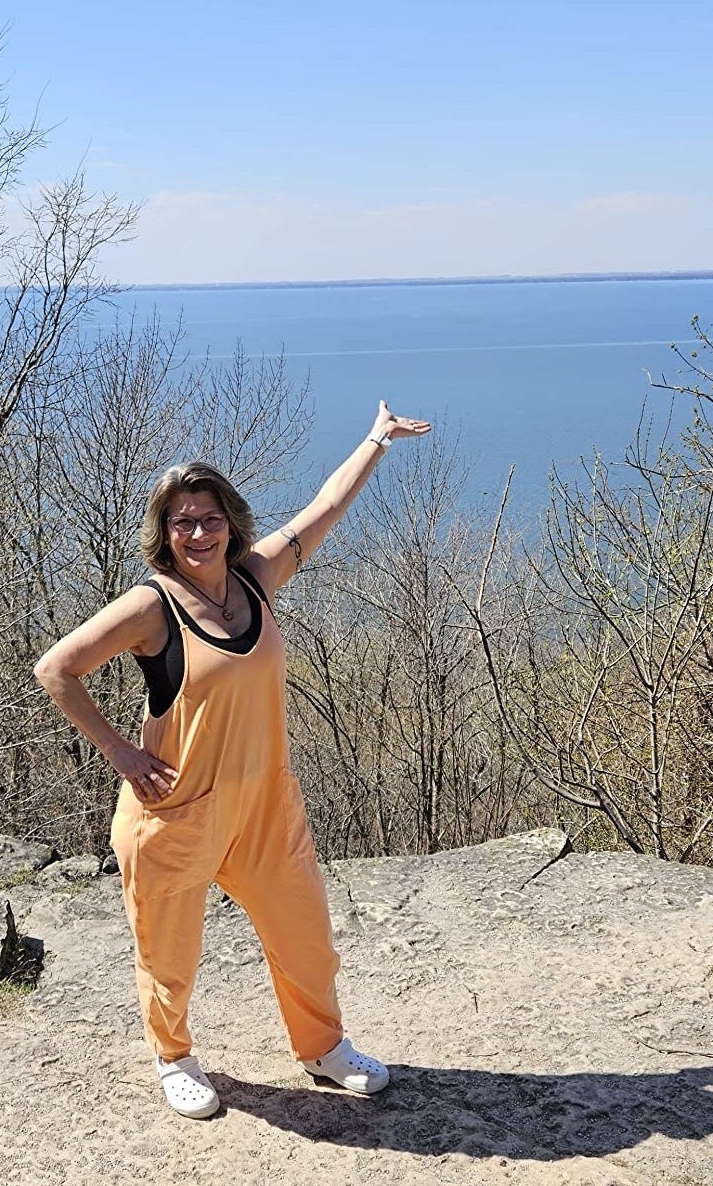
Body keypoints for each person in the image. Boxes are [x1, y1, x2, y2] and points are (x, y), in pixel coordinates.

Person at [34, 400, 431, 1118]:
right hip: (176, 811)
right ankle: (174, 1056)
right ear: (164, 531)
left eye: (209, 517)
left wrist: (376, 437)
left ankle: (323, 1046)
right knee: (169, 957)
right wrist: (121, 752)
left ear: (229, 523)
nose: (197, 531)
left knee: (306, 936)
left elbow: (326, 506)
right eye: (182, 520)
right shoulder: (152, 605)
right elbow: (56, 668)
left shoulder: (255, 577)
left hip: (262, 804)